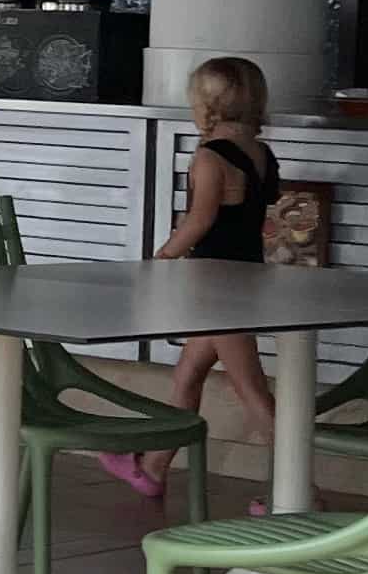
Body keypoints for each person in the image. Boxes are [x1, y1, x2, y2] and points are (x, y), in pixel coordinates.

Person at [106, 54, 282, 504]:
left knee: (252, 391)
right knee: (188, 373)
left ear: (204, 104)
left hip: (215, 286)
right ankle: (153, 466)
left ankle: (298, 489)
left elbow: (199, 221)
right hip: (244, 278)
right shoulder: (260, 154)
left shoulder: (210, 158)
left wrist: (161, 257)